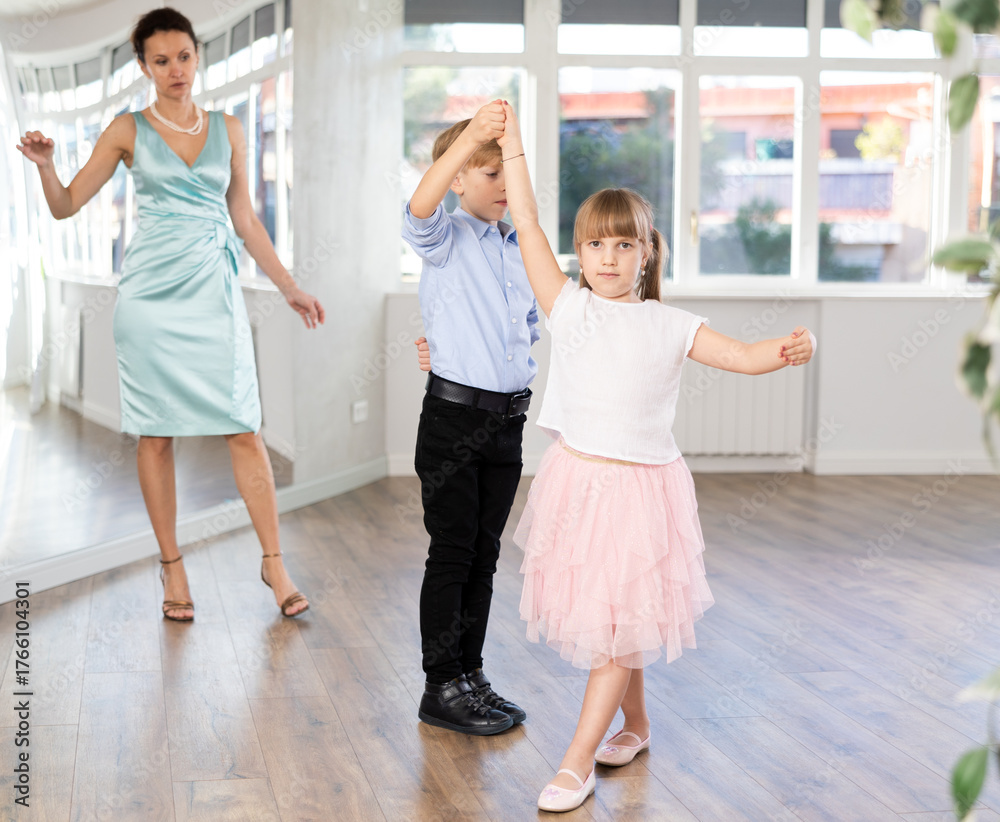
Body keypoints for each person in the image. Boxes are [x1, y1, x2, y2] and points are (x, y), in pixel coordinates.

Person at [495, 101, 815, 811]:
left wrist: (786, 352)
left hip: (642, 494)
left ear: (647, 253)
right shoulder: (568, 307)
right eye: (596, 246)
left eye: (623, 245)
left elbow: (738, 354)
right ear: (581, 254)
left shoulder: (671, 325)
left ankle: (576, 759)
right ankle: (635, 723)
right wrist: (515, 142)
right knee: (617, 618)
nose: (607, 258)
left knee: (614, 628)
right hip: (578, 486)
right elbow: (527, 223)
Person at [16, 7, 323, 620]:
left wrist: (287, 285)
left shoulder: (230, 129)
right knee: (156, 436)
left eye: (184, 56)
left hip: (214, 296)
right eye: (161, 61)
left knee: (244, 427)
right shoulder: (127, 129)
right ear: (144, 66)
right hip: (150, 303)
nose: (175, 69)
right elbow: (67, 206)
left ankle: (274, 562)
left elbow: (247, 220)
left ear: (196, 55)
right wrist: (49, 167)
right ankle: (172, 569)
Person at [402, 101, 540, 735]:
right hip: (454, 425)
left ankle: (470, 674)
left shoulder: (519, 250)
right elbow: (419, 208)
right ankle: (440, 685)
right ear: (459, 177)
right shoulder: (445, 238)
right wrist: (472, 139)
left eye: (509, 174)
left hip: (506, 426)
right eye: (492, 175)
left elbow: (522, 336)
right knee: (453, 553)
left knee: (485, 555)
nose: (505, 187)